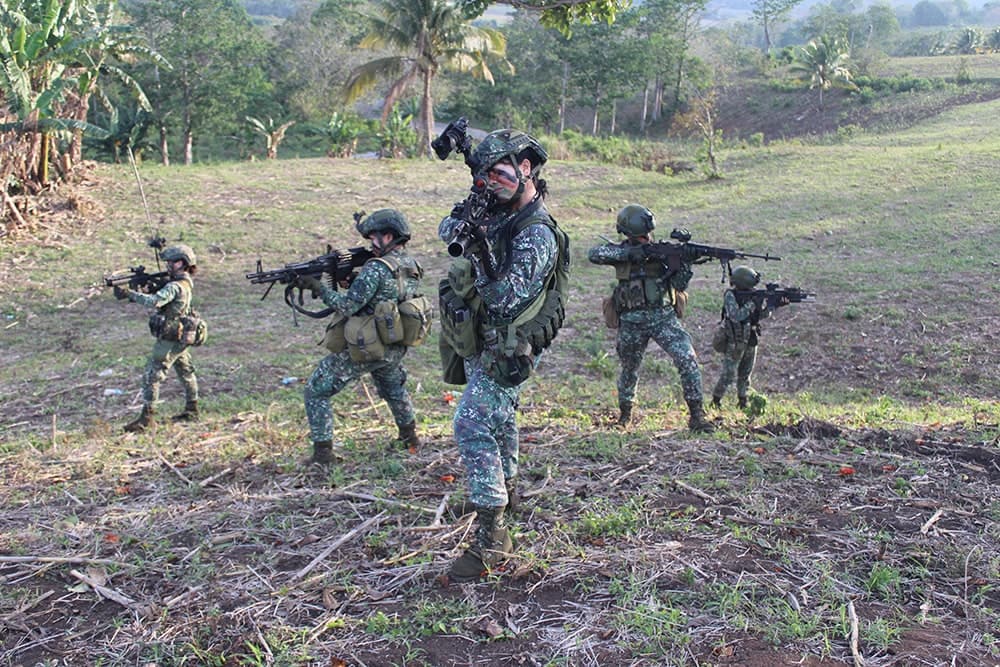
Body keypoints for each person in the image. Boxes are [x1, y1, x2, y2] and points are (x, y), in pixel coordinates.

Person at [437, 129, 569, 582]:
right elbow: (446, 227)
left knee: (471, 421)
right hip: (483, 338)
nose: (488, 183)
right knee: (499, 419)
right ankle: (508, 492)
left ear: (526, 168)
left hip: (509, 342)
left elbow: (505, 300)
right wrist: (461, 229)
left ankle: (492, 538)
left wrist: (478, 252)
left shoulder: (536, 234)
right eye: (481, 176)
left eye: (496, 173)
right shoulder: (493, 209)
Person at [294, 209, 423, 466]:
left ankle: (323, 454)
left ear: (388, 236)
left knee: (316, 391)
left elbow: (348, 306)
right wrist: (352, 280)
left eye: (374, 237)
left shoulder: (375, 268)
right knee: (393, 388)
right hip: (394, 343)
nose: (371, 244)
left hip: (369, 345)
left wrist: (318, 287)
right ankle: (409, 437)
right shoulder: (410, 264)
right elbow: (386, 295)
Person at [588, 204, 714, 432]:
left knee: (687, 359)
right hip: (631, 321)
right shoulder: (622, 252)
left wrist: (685, 264)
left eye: (647, 234)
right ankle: (625, 416)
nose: (646, 239)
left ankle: (697, 415)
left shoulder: (662, 252)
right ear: (628, 233)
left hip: (663, 317)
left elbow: (678, 285)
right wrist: (630, 254)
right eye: (640, 236)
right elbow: (594, 254)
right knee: (629, 369)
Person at [114, 244, 201, 432]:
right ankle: (192, 408)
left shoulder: (174, 286)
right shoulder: (185, 282)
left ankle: (147, 419)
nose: (169, 265)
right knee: (185, 370)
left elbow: (154, 301)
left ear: (184, 263)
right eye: (168, 261)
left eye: (173, 261)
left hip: (171, 336)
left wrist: (129, 293)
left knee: (152, 375)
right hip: (182, 334)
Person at [710, 265, 787, 409]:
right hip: (736, 340)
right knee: (728, 374)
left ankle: (743, 401)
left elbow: (760, 315)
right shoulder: (731, 295)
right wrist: (753, 303)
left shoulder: (753, 295)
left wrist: (773, 306)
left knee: (745, 374)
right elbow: (736, 315)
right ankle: (716, 400)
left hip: (751, 338)